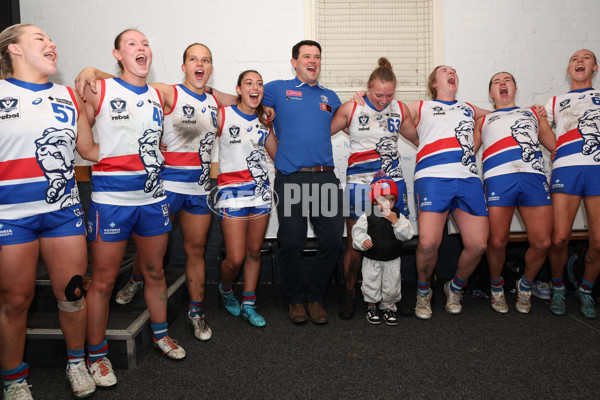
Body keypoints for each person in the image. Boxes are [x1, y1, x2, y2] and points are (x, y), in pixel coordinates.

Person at [76, 43, 236, 341]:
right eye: (193, 59)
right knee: (151, 249)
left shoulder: (215, 99)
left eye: (206, 60)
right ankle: (136, 279)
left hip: (199, 188)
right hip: (165, 186)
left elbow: (243, 100)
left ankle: (196, 312)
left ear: (211, 69)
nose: (200, 64)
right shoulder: (166, 91)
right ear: (184, 66)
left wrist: (265, 104)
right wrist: (91, 71)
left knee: (196, 251)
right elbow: (130, 83)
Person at [81, 29, 185, 388]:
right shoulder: (101, 87)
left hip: (153, 199)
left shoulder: (157, 94)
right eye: (132, 45)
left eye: (145, 44)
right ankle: (96, 356)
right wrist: (102, 156)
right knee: (104, 281)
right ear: (118, 54)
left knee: (155, 271)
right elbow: (83, 143)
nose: (141, 49)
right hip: (111, 201)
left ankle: (160, 335)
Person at [0, 24, 98, 399]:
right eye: (40, 39)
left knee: (73, 293)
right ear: (15, 50)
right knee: (15, 300)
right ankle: (14, 379)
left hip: (63, 213)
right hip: (11, 215)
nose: (51, 43)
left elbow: (89, 151)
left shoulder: (68, 96)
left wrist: (138, 147)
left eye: (51, 39)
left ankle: (77, 363)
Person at [262, 40, 343, 325]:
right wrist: (278, 155)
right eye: (307, 56)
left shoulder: (329, 96)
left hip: (325, 177)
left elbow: (346, 119)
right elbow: (252, 107)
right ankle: (295, 299)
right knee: (291, 241)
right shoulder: (277, 89)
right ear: (294, 62)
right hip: (292, 177)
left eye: (317, 56)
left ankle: (316, 296)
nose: (313, 61)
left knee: (333, 239)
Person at [331, 57, 418, 319]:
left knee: (392, 241)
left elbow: (419, 138)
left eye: (388, 95)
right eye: (378, 95)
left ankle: (392, 298)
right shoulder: (352, 107)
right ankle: (349, 295)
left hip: (392, 186)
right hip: (359, 185)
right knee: (356, 244)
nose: (383, 100)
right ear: (367, 87)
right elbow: (320, 132)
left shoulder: (399, 109)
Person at [408, 66, 490, 319]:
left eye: (454, 70)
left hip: (468, 179)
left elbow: (499, 117)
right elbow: (389, 110)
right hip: (433, 178)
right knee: (428, 242)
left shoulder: (468, 108)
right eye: (444, 71)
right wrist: (419, 140)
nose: (451, 72)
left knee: (478, 245)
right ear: (434, 83)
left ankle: (454, 288)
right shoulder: (422, 106)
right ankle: (424, 292)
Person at [473, 72, 555, 314]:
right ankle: (497, 287)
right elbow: (467, 154)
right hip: (499, 179)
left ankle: (526, 285)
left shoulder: (532, 113)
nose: (502, 84)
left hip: (533, 179)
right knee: (497, 242)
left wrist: (544, 120)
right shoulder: (483, 121)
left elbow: (554, 145)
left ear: (515, 88)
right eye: (496, 82)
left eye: (507, 80)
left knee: (543, 242)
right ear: (491, 93)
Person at [216, 70, 277, 328]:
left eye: (260, 84)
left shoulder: (264, 122)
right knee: (236, 258)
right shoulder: (222, 114)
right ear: (238, 89)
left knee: (254, 251)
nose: (255, 88)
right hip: (231, 193)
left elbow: (278, 155)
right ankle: (225, 288)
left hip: (259, 192)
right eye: (249, 83)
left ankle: (249, 304)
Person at [546, 49, 600, 319]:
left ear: (595, 67)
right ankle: (558, 287)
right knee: (559, 238)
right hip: (566, 170)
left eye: (586, 58)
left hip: (597, 170)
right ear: (568, 70)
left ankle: (586, 290)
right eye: (574, 59)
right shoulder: (554, 101)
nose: (580, 61)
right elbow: (536, 127)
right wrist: (550, 144)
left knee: (599, 240)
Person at [352, 173, 414, 325]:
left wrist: (396, 222)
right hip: (372, 259)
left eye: (391, 199)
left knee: (392, 285)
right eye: (383, 199)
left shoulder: (398, 215)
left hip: (392, 259)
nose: (388, 203)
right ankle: (371, 307)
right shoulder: (367, 215)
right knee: (371, 284)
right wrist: (363, 240)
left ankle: (388, 307)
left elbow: (407, 235)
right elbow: (357, 232)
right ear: (374, 199)